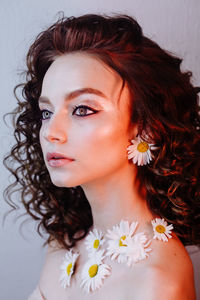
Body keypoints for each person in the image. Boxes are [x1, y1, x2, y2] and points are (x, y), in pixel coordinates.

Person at [4, 13, 200, 300]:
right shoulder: (64, 246)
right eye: (46, 112)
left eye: (82, 109)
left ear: (146, 128)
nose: (50, 133)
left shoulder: (155, 282)